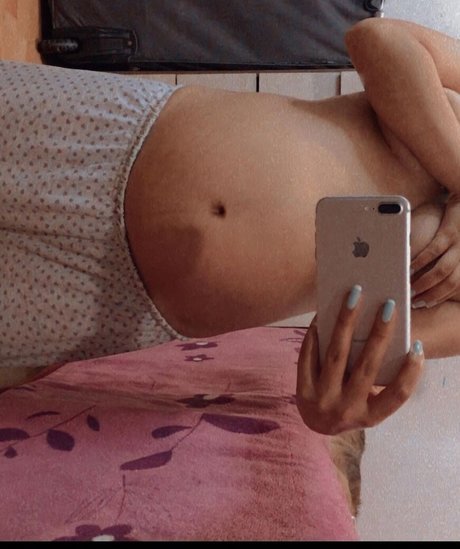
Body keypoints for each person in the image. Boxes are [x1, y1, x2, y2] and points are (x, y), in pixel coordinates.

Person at [1, 18, 460, 435]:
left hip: (113, 300)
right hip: (110, 134)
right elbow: (376, 40)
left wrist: (329, 409)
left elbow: (367, 357)